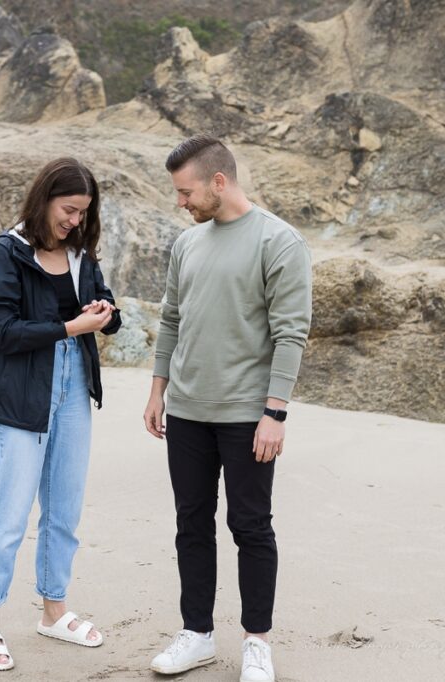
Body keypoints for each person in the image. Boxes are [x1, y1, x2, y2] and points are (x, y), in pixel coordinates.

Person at [144, 135, 312, 682]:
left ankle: (257, 642)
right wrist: (157, 390)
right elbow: (171, 319)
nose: (181, 203)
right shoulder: (187, 245)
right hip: (187, 411)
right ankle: (196, 634)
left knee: (250, 526)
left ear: (219, 181)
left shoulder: (278, 241)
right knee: (191, 523)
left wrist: (276, 412)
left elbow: (291, 334)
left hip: (247, 415)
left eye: (186, 192)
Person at [0, 157, 123, 672]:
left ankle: (53, 610)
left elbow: (101, 306)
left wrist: (105, 313)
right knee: (9, 513)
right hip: (19, 392)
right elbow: (3, 332)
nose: (75, 221)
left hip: (75, 385)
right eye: (69, 210)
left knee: (64, 509)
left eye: (83, 213)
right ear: (45, 199)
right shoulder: (6, 251)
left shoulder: (80, 253)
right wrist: (70, 328)